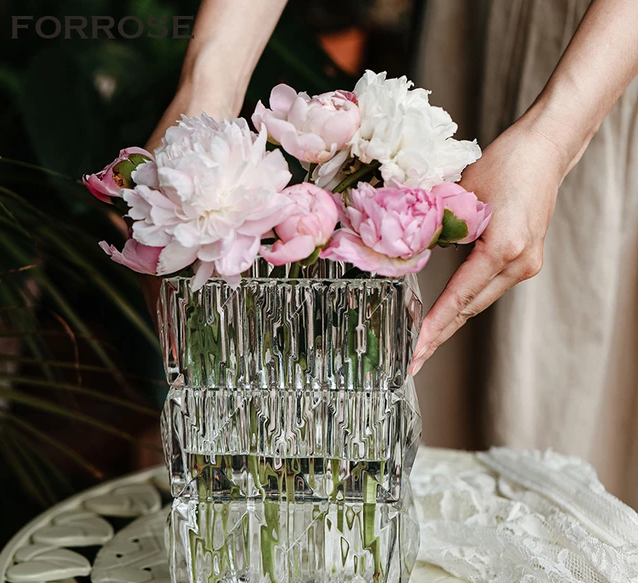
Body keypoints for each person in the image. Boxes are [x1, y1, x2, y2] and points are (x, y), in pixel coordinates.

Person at [146, 0, 638, 505]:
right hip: (472, 32)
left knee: (560, 395)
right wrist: (205, 88)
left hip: (611, 50)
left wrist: (554, 138)